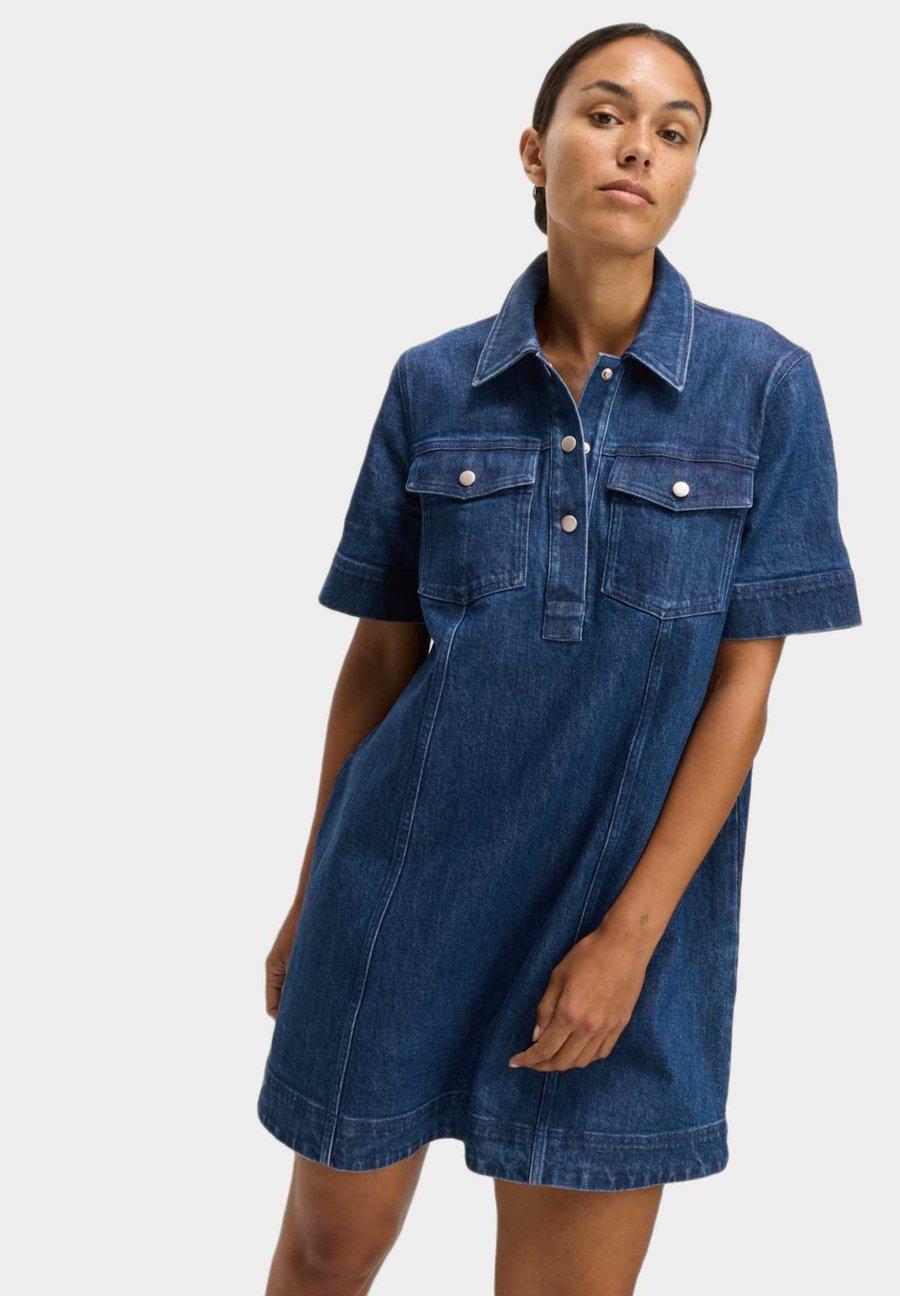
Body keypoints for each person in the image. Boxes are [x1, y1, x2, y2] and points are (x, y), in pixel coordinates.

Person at [258, 22, 862, 1296]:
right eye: (605, 114)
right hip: (400, 894)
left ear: (691, 169)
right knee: (324, 1259)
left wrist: (630, 940)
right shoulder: (434, 384)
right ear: (535, 152)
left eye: (674, 131)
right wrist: (314, 894)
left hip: (624, 914)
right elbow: (379, 664)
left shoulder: (764, 385)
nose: (639, 147)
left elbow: (744, 691)